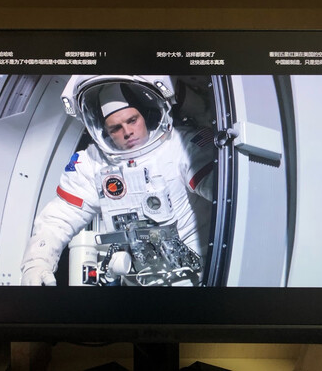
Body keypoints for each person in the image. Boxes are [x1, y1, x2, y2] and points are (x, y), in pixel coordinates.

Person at [20, 75, 214, 286]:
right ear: (105, 132)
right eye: (115, 128)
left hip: (197, 277)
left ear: (146, 115)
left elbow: (220, 190)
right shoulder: (93, 163)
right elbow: (61, 217)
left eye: (132, 120)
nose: (127, 132)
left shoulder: (180, 146)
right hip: (135, 282)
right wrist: (37, 261)